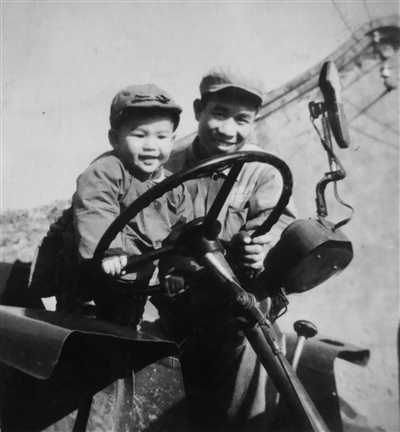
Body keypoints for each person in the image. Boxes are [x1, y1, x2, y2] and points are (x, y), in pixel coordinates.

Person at [152, 66, 297, 432]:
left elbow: (280, 225)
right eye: (219, 113)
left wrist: (264, 247)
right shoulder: (165, 164)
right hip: (173, 303)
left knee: (252, 340)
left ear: (255, 123)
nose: (228, 130)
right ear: (198, 110)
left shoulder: (264, 171)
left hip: (235, 304)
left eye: (242, 119)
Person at [28, 83, 193, 327]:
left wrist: (175, 270)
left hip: (133, 279)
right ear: (115, 139)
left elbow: (180, 234)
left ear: (172, 140)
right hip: (88, 274)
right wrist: (110, 252)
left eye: (161, 137)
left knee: (125, 329)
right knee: (80, 327)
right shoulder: (106, 171)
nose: (151, 145)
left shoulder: (175, 187)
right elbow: (96, 211)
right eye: (139, 135)